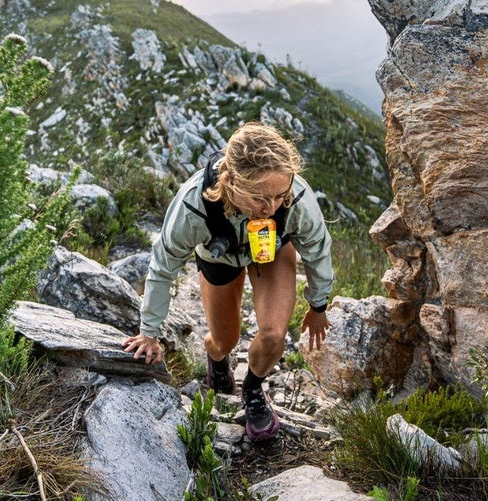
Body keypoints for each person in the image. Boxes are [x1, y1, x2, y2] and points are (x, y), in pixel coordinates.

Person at [123, 122, 334, 441]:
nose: (270, 208)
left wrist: (318, 306)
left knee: (274, 334)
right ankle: (217, 359)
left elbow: (318, 250)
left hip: (273, 249)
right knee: (225, 340)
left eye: (279, 196)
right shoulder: (193, 205)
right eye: (259, 197)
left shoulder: (295, 198)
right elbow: (163, 267)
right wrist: (149, 333)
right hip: (218, 257)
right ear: (231, 180)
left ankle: (253, 389)